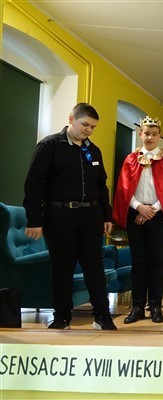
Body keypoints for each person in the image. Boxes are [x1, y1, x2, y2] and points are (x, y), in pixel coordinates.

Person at [23, 103, 116, 330]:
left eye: (93, 127)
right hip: (60, 215)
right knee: (62, 267)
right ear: (71, 119)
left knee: (94, 266)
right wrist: (34, 219)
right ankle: (62, 317)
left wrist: (107, 216)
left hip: (91, 216)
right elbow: (34, 184)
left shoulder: (94, 151)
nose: (89, 130)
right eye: (85, 125)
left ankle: (102, 316)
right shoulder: (49, 146)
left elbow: (101, 186)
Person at [113, 116, 163, 324]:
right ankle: (137, 306)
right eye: (147, 133)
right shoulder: (131, 159)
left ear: (159, 136)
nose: (150, 137)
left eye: (154, 134)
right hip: (136, 213)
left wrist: (152, 210)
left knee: (156, 261)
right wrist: (139, 207)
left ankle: (155, 306)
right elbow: (124, 188)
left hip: (157, 214)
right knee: (138, 261)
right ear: (140, 134)